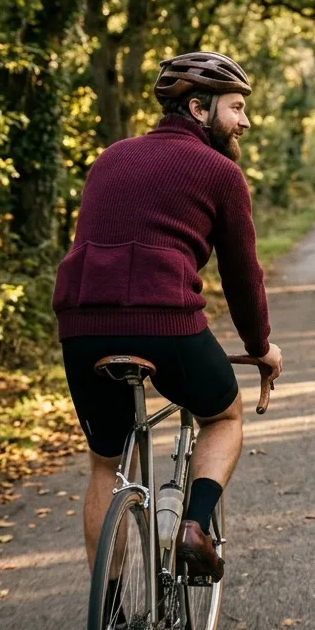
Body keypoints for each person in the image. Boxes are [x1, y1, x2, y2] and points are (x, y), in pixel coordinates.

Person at [52, 51, 283, 599]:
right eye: (237, 107)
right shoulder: (221, 172)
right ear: (199, 108)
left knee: (106, 464)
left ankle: (106, 619)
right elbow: (243, 277)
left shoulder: (110, 158)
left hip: (81, 324)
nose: (245, 121)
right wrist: (261, 347)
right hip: (165, 321)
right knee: (222, 416)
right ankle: (194, 525)